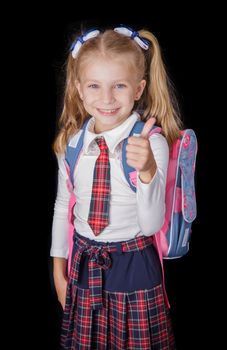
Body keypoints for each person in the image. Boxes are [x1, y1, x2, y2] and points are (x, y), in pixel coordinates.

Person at [51, 24, 182, 349]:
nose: (106, 99)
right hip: (84, 266)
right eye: (95, 86)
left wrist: (148, 171)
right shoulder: (71, 142)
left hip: (135, 267)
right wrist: (58, 269)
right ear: (79, 89)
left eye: (119, 86)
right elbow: (61, 205)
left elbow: (152, 225)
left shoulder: (150, 144)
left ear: (138, 89)